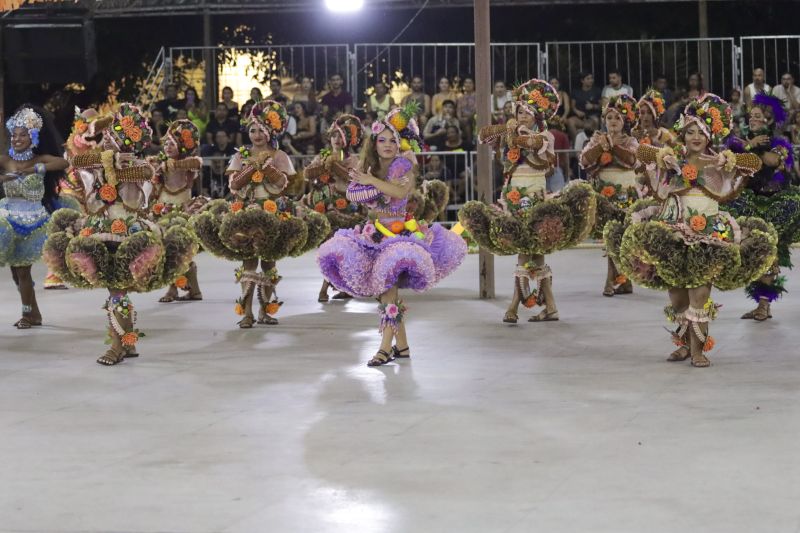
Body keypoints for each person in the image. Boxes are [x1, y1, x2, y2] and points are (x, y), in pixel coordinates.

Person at [608, 94, 772, 367]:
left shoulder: (717, 161)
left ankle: (698, 349)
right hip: (674, 228)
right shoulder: (672, 158)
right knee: (677, 294)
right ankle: (684, 344)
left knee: (700, 293)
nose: (696, 137)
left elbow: (754, 164)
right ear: (683, 134)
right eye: (690, 131)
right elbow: (640, 154)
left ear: (709, 136)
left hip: (708, 232)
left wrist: (731, 160)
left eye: (701, 132)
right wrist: (660, 155)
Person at [45, 104, 197, 365]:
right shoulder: (97, 160)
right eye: (109, 137)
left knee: (117, 290)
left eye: (115, 138)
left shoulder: (138, 165)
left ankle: (117, 345)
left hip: (128, 233)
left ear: (130, 142)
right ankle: (128, 342)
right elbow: (75, 160)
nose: (107, 142)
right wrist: (107, 155)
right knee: (117, 290)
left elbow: (144, 174)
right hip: (101, 229)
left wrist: (112, 165)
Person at [317, 106, 467, 367]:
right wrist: (365, 182)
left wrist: (370, 182)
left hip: (399, 236)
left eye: (392, 140)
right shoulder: (370, 166)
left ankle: (384, 349)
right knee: (387, 294)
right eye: (382, 140)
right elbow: (352, 192)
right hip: (373, 234)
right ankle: (403, 346)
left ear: (400, 144)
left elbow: (398, 193)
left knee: (388, 291)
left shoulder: (403, 164)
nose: (387, 145)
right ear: (374, 143)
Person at [459, 78, 597, 324]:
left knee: (528, 251)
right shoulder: (511, 130)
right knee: (533, 252)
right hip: (513, 196)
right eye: (519, 111)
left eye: (528, 113)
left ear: (537, 117)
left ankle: (514, 306)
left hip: (534, 199)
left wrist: (514, 132)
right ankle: (549, 306)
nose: (522, 116)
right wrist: (506, 127)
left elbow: (530, 143)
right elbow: (482, 135)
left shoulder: (545, 136)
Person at [191, 100, 329, 328]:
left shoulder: (280, 155)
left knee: (269, 264)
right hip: (245, 214)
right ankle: (246, 312)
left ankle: (265, 310)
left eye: (261, 130)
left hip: (273, 213)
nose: (256, 135)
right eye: (252, 130)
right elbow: (234, 185)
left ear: (270, 132)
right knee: (248, 264)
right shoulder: (240, 155)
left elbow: (285, 183)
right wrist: (251, 166)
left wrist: (265, 166)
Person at [724, 93, 800, 322]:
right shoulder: (741, 141)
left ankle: (764, 305)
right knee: (752, 253)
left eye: (758, 116)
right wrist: (749, 144)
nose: (753, 119)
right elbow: (730, 160)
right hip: (747, 201)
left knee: (769, 253)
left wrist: (754, 147)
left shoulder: (777, 142)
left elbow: (772, 161)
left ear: (767, 120)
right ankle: (761, 303)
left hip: (772, 204)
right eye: (751, 116)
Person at [0, 105, 69, 328]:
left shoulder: (39, 159)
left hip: (33, 223)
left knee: (22, 271)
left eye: (22, 135)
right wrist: (3, 180)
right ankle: (34, 312)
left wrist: (35, 169)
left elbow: (62, 162)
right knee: (15, 273)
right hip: (9, 220)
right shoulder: (6, 161)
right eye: (14, 135)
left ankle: (27, 314)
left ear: (33, 137)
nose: (16, 139)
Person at [580, 95, 640, 296]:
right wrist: (601, 146)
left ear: (625, 122)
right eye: (609, 118)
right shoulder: (596, 139)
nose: (613, 121)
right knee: (610, 236)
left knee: (622, 237)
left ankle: (619, 280)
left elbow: (633, 160)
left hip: (626, 193)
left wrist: (613, 146)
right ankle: (618, 280)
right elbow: (585, 160)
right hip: (604, 195)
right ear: (604, 120)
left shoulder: (630, 141)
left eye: (617, 118)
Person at [302, 114, 365, 303]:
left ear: (347, 140)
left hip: (346, 209)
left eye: (341, 136)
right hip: (324, 207)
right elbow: (307, 174)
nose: (337, 140)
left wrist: (334, 165)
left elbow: (353, 178)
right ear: (329, 138)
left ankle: (326, 288)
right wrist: (322, 166)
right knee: (328, 249)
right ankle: (337, 285)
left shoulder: (352, 159)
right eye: (334, 136)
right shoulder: (322, 156)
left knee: (339, 250)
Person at [151, 120, 206, 304]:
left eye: (172, 143)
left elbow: (197, 163)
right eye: (165, 143)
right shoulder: (160, 163)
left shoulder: (189, 163)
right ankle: (193, 290)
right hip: (161, 210)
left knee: (180, 250)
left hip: (182, 211)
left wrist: (171, 165)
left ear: (182, 146)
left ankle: (173, 290)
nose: (167, 146)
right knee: (167, 250)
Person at [202, 130, 237, 197]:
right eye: (218, 137)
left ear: (228, 138)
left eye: (223, 136)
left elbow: (234, 190)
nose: (221, 138)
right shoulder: (211, 150)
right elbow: (203, 190)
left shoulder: (233, 150)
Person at [566, 72, 602, 139]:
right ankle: (577, 144)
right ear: (582, 81)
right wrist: (577, 111)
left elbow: (601, 106)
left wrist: (593, 106)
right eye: (588, 79)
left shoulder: (597, 91)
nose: (591, 80)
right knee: (570, 121)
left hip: (592, 118)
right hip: (579, 119)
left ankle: (594, 144)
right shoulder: (576, 92)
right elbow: (572, 107)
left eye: (591, 78)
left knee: (596, 120)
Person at [456, 76, 477, 141]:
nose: (468, 84)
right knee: (463, 122)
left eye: (470, 83)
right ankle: (468, 144)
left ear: (474, 84)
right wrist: (460, 118)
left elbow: (476, 109)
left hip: (474, 118)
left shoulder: (478, 96)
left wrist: (468, 117)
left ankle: (471, 143)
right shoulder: (460, 98)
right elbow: (458, 110)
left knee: (469, 121)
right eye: (466, 83)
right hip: (463, 119)